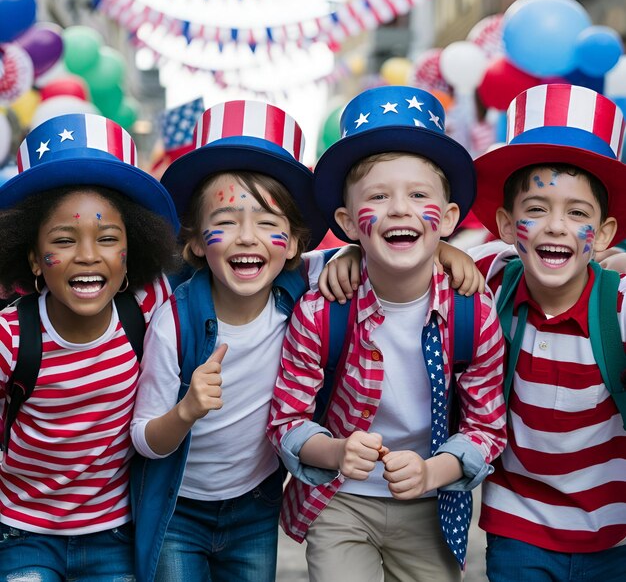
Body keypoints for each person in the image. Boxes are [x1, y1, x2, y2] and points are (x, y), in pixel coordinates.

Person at [267, 85, 507, 582]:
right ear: (348, 221)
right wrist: (333, 451)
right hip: (340, 503)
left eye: (419, 196)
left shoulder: (474, 310)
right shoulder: (321, 308)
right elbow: (286, 419)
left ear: (452, 218)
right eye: (378, 196)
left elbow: (487, 428)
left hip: (429, 504)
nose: (399, 208)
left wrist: (430, 472)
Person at [129, 99, 358, 582]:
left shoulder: (304, 288)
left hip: (255, 505)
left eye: (268, 224)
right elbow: (144, 439)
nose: (247, 238)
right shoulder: (175, 322)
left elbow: (383, 255)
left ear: (295, 244)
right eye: (226, 222)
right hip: (179, 509)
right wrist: (185, 410)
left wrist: (444, 251)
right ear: (194, 242)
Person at [440, 83, 626, 581]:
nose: (556, 227)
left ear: (604, 234)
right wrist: (442, 252)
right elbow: (404, 254)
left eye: (578, 214)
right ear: (506, 224)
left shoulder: (620, 305)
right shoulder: (491, 276)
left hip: (613, 534)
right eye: (537, 209)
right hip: (518, 526)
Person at [0, 113, 180, 580]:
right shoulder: (10, 336)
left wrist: (340, 258)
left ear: (130, 255)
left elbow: (236, 268)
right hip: (22, 532)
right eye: (64, 239)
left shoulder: (146, 305)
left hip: (112, 535)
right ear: (36, 260)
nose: (87, 254)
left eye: (107, 239)